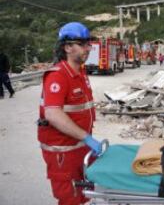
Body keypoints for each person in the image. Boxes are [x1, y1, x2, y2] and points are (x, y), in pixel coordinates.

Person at [38, 22, 104, 205]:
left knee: (83, 195)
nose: (88, 48)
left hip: (80, 147)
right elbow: (53, 114)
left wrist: (87, 140)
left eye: (89, 44)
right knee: (70, 198)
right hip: (63, 152)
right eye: (82, 44)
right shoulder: (58, 75)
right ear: (67, 47)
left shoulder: (81, 73)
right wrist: (87, 137)